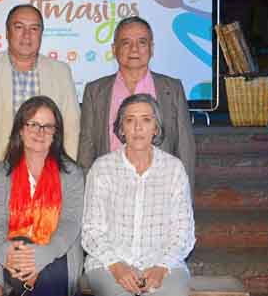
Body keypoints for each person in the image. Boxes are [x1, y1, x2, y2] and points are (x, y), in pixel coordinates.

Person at [0, 4, 80, 207]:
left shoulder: (60, 71)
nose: (26, 36)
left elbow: (72, 127)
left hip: (45, 181)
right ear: (7, 32)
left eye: (34, 28)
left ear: (41, 33)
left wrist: (66, 175)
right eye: (19, 27)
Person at [82, 93, 195, 296]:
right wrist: (117, 267)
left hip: (165, 264)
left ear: (156, 128)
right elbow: (91, 230)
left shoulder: (174, 168)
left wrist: (161, 266)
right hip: (108, 263)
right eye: (129, 120)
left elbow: (183, 231)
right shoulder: (102, 168)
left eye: (146, 120)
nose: (138, 127)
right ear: (121, 129)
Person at [77, 16, 195, 188]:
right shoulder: (95, 91)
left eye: (142, 42)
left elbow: (185, 147)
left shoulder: (172, 89)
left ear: (151, 48)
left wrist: (185, 194)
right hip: (110, 187)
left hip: (160, 187)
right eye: (126, 43)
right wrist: (87, 193)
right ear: (114, 48)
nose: (134, 49)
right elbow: (87, 147)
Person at [0, 95, 84, 296]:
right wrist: (6, 254)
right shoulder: (1, 173)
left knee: (48, 274)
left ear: (56, 134)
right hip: (13, 253)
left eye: (48, 126)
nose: (40, 132)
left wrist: (42, 256)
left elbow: (70, 223)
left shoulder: (72, 173)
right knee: (23, 266)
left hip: (59, 250)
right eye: (33, 124)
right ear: (20, 130)